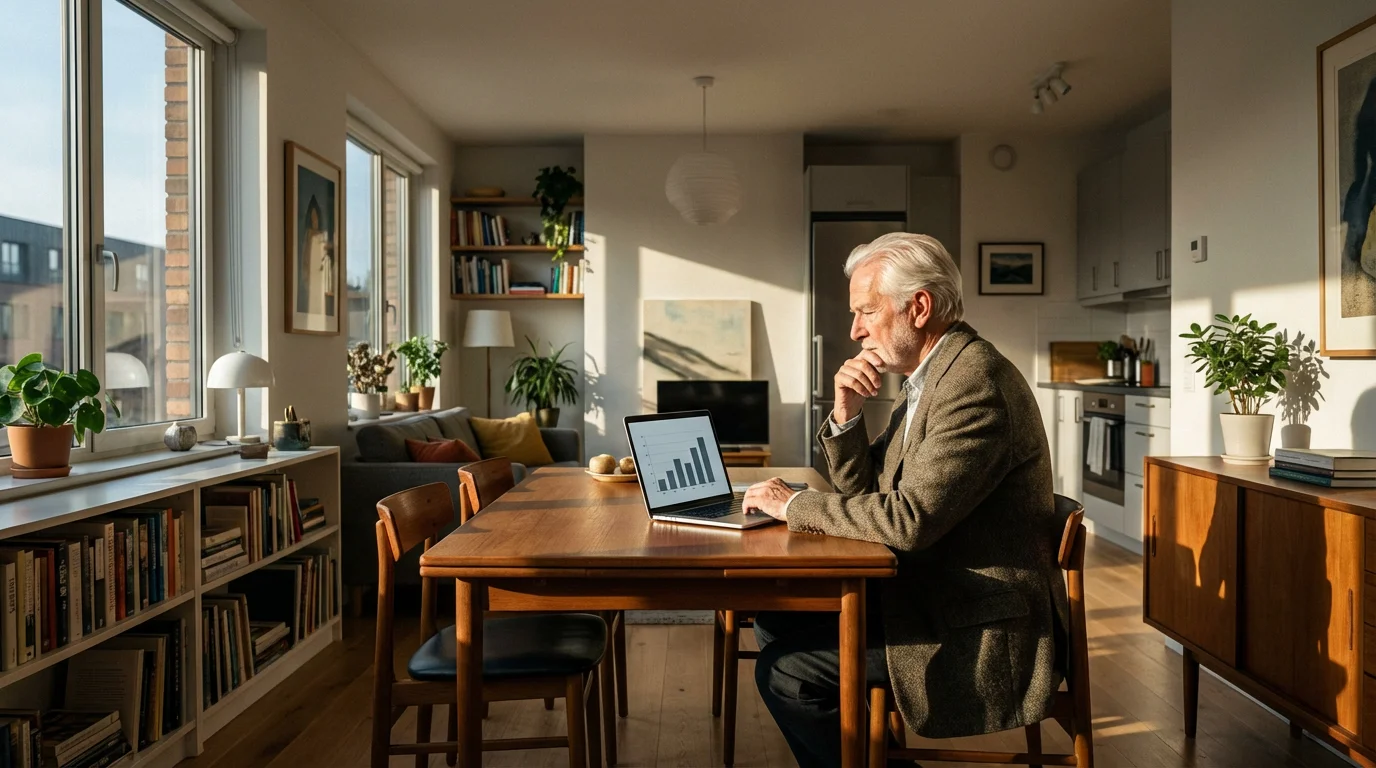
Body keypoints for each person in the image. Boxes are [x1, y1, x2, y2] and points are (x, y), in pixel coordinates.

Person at [742, 232, 1068, 768]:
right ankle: (879, 755)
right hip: (931, 592)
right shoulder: (931, 379)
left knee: (785, 671)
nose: (855, 330)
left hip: (976, 627)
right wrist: (846, 412)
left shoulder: (973, 384)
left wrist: (793, 506)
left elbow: (908, 521)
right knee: (778, 621)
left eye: (866, 311)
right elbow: (867, 493)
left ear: (918, 307)